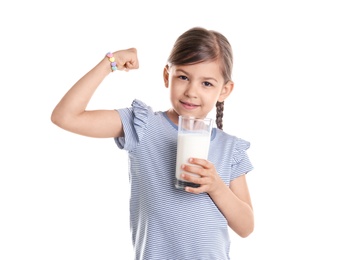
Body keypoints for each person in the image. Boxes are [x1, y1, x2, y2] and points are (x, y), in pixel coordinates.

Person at [51, 27, 254, 260]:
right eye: (183, 77)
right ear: (167, 76)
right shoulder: (143, 125)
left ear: (224, 90)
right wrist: (110, 63)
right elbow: (65, 116)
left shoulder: (230, 149)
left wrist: (217, 186)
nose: (191, 91)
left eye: (206, 83)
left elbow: (246, 227)